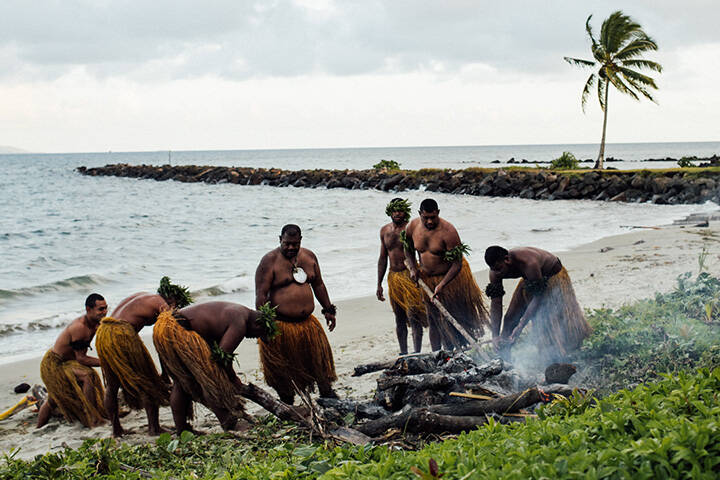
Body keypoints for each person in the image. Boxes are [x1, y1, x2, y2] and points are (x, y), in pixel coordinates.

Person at [152, 301, 278, 433]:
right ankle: (227, 422)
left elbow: (215, 347)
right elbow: (221, 358)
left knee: (180, 382)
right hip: (177, 329)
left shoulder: (238, 311)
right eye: (258, 334)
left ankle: (182, 429)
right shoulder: (239, 322)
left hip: (163, 328)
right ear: (257, 324)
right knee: (210, 377)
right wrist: (233, 378)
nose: (254, 337)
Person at [96, 276, 192, 437]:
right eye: (176, 305)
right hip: (122, 335)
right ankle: (154, 428)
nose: (174, 309)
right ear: (172, 301)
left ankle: (116, 430)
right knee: (148, 380)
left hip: (103, 333)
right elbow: (164, 340)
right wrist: (166, 373)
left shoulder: (145, 296)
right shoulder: (162, 305)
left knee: (112, 387)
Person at [254, 224, 338, 404]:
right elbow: (261, 295)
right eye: (287, 244)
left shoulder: (309, 257)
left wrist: (329, 310)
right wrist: (263, 326)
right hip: (281, 326)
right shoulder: (269, 261)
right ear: (280, 240)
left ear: (300, 241)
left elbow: (319, 285)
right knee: (283, 368)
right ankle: (287, 401)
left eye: (295, 244)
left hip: (308, 324)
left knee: (319, 362)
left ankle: (327, 394)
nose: (291, 247)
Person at [404, 198, 488, 350]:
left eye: (433, 217)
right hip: (427, 279)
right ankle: (437, 354)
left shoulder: (448, 232)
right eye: (426, 218)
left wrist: (442, 285)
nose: (429, 221)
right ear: (419, 214)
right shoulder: (412, 227)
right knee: (433, 318)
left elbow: (457, 263)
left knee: (454, 317)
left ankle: (462, 349)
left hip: (450, 279)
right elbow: (407, 249)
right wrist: (412, 268)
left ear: (438, 213)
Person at [484, 246, 592, 362]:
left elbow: (537, 297)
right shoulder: (495, 272)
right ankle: (504, 359)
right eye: (493, 269)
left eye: (499, 269)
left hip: (551, 276)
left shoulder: (529, 263)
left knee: (543, 320)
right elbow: (496, 303)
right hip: (530, 280)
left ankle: (556, 357)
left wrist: (520, 326)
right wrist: (495, 335)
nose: (497, 273)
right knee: (510, 319)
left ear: (507, 260)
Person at [37, 294, 108, 428]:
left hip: (69, 362)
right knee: (86, 376)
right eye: (100, 309)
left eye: (106, 308)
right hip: (56, 364)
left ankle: (96, 414)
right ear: (88, 309)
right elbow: (81, 358)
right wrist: (106, 362)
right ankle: (93, 417)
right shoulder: (80, 328)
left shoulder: (97, 323)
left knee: (53, 400)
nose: (104, 312)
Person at [377, 198, 427, 354]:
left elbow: (420, 252)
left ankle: (417, 352)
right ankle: (403, 352)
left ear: (405, 211)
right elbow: (382, 258)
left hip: (410, 275)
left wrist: (420, 271)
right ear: (389, 212)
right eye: (394, 210)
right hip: (394, 277)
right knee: (399, 317)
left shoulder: (410, 229)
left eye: (400, 210)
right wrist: (379, 284)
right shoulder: (384, 231)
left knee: (414, 315)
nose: (397, 213)